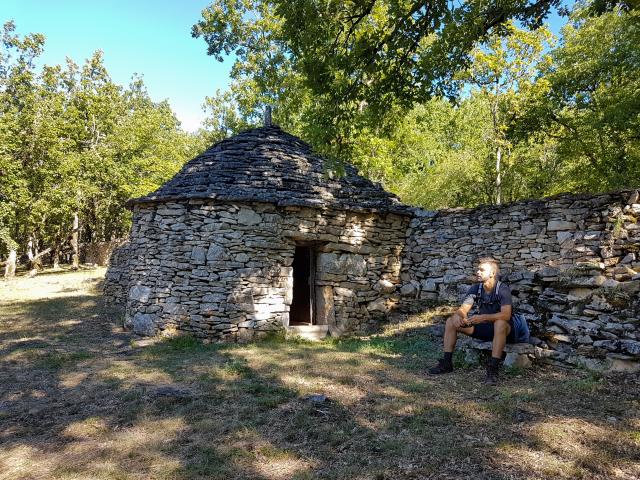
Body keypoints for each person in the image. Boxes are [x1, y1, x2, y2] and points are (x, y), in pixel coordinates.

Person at [428, 257, 515, 385]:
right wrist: (458, 315)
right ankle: (447, 363)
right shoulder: (476, 288)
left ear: (492, 273)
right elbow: (464, 308)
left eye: (482, 270)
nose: (478, 272)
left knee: (500, 323)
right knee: (450, 321)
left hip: (505, 330)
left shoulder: (502, 289)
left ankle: (493, 369)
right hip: (484, 328)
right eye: (477, 269)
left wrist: (483, 317)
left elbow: (506, 315)